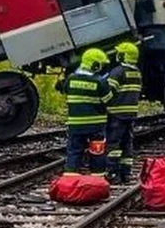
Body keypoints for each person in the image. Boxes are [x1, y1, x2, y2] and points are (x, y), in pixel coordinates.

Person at [58, 48, 113, 176]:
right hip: (96, 126)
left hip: (75, 125)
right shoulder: (99, 81)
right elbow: (108, 100)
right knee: (97, 152)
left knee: (74, 151)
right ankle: (98, 178)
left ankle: (70, 179)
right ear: (95, 65)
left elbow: (65, 91)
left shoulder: (71, 79)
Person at [104, 42, 142, 184]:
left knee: (113, 144)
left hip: (116, 114)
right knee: (127, 143)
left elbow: (109, 91)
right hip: (130, 114)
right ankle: (126, 172)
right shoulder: (137, 72)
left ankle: (113, 172)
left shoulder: (118, 72)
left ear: (123, 56)